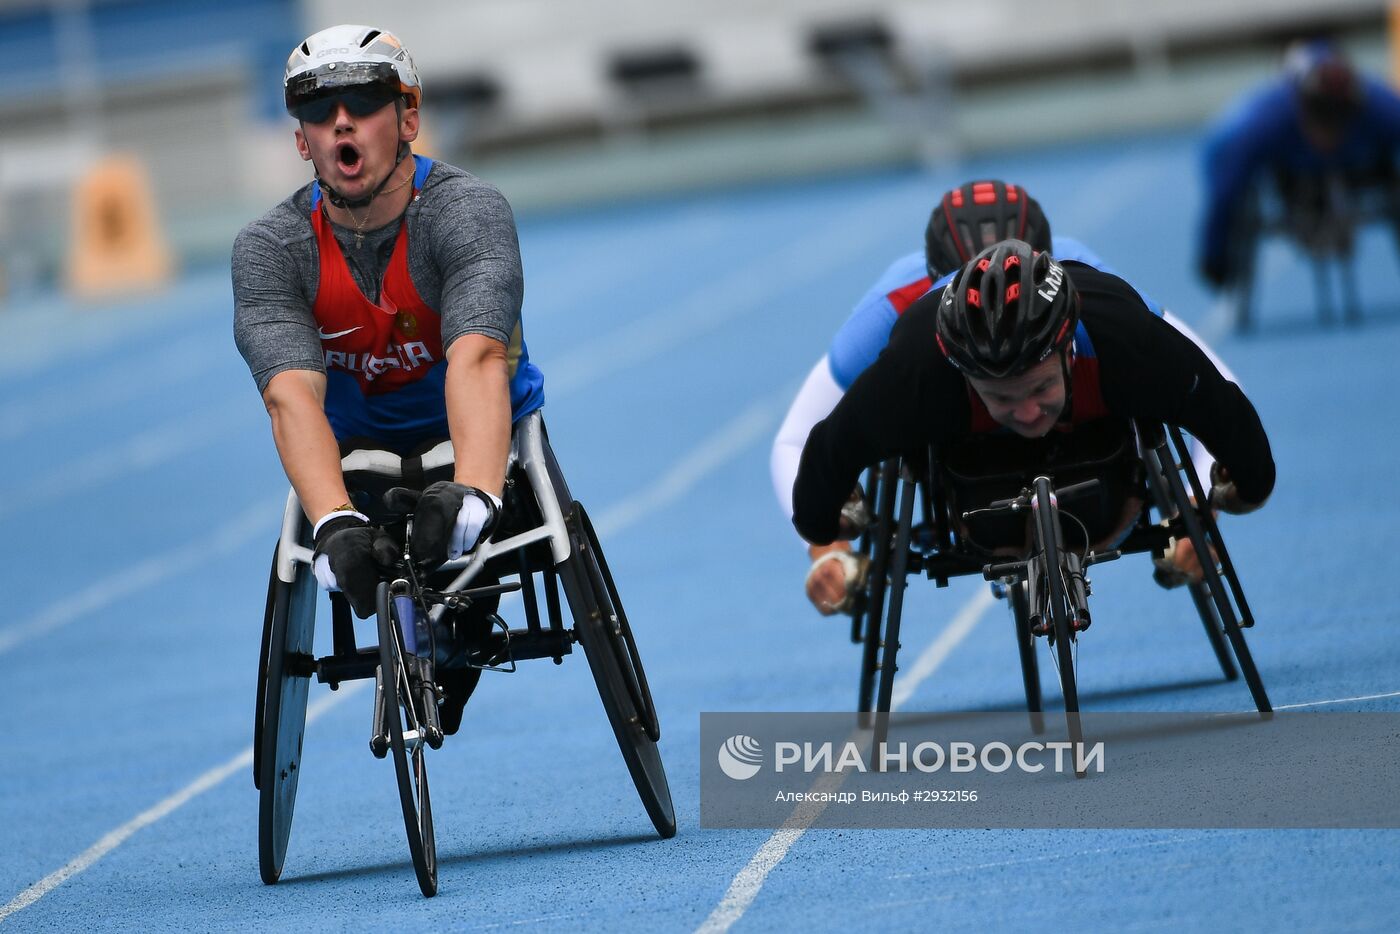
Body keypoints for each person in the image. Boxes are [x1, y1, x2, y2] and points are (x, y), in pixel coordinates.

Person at [233, 25, 545, 734]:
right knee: (343, 506)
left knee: (461, 527)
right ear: (301, 140)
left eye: (364, 101)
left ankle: (459, 622)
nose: (340, 121)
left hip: (468, 438)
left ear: (408, 118)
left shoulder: (468, 212)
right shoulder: (270, 249)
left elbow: (477, 358)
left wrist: (475, 494)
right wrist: (334, 520)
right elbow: (289, 393)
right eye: (318, 110)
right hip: (359, 457)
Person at [772, 180, 1235, 616]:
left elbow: (1211, 384)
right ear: (933, 282)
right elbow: (797, 439)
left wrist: (1196, 510)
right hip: (958, 443)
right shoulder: (891, 308)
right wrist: (829, 551)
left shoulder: (1094, 285)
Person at [792, 239, 1275, 569]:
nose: (1025, 413)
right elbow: (831, 447)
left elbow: (1219, 405)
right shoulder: (914, 376)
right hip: (971, 464)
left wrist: (1247, 485)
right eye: (1001, 395)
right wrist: (822, 524)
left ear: (1068, 350)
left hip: (1103, 436)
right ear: (960, 372)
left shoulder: (1128, 341)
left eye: (1039, 388)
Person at [1198, 39, 1400, 294]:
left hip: (1359, 168)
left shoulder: (1382, 107)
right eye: (1323, 122)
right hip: (1291, 174)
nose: (1329, 138)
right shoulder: (1263, 119)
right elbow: (1225, 185)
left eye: (1337, 123)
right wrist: (1214, 254)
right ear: (1302, 108)